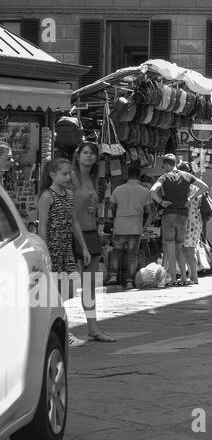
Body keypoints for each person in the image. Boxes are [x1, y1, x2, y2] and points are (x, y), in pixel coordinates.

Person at [38, 156, 111, 345]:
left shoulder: (69, 195)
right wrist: (44, 250)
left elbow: (74, 223)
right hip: (52, 248)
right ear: (52, 174)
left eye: (69, 173)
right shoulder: (47, 196)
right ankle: (60, 331)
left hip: (66, 247)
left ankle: (59, 329)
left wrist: (84, 248)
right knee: (54, 290)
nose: (68, 177)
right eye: (64, 174)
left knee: (67, 290)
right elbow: (42, 227)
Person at [69, 142, 113, 339]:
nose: (88, 156)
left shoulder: (93, 178)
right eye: (85, 152)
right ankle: (64, 329)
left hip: (91, 231)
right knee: (66, 284)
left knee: (89, 284)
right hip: (72, 233)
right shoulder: (69, 176)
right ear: (77, 155)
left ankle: (93, 328)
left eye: (92, 153)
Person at [150, 153, 208, 284]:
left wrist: (161, 202)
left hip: (169, 215)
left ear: (166, 164)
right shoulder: (187, 175)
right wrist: (190, 198)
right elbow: (204, 186)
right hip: (183, 216)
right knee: (180, 247)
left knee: (170, 247)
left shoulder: (164, 177)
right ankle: (183, 277)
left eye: (163, 165)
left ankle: (173, 278)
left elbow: (152, 191)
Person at [108, 166, 152, 291]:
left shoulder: (118, 189)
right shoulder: (144, 191)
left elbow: (111, 206)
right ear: (138, 176)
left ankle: (113, 277)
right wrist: (145, 226)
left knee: (116, 252)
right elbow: (149, 211)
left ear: (128, 176)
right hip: (136, 226)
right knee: (132, 255)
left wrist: (116, 215)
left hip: (120, 225)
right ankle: (129, 282)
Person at [176, 161, 204, 286]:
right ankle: (193, 276)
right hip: (197, 221)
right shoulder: (196, 186)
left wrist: (189, 199)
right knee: (191, 249)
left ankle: (190, 276)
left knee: (185, 249)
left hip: (187, 221)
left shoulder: (184, 187)